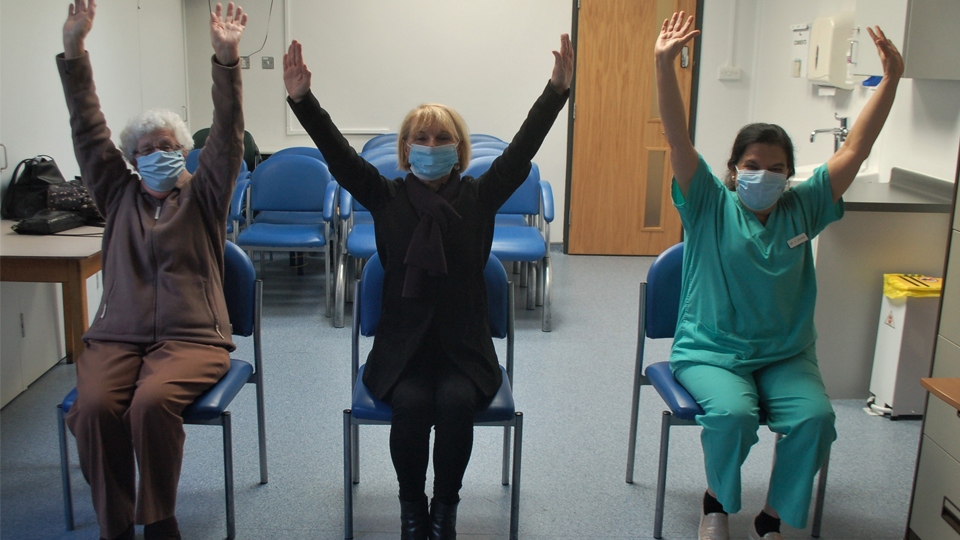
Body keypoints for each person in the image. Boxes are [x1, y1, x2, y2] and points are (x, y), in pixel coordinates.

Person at [283, 34, 573, 539]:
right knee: (413, 406)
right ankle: (412, 508)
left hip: (464, 346)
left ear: (459, 149)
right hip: (403, 347)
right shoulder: (385, 195)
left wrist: (556, 92)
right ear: (405, 148)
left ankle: (445, 508)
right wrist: (302, 101)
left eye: (442, 139)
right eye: (422, 138)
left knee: (456, 404)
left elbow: (524, 146)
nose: (431, 147)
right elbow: (338, 155)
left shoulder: (481, 196)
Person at [655, 11, 903, 540]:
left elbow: (855, 149)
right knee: (733, 417)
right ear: (732, 169)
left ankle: (772, 516)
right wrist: (664, 64)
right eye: (751, 165)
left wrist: (890, 82)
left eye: (774, 167)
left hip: (786, 352)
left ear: (790, 174)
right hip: (711, 350)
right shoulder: (708, 204)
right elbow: (677, 140)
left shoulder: (803, 207)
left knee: (816, 421)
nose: (762, 175)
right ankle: (717, 500)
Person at [59, 1, 248, 539]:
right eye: (146, 150)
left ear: (185, 152)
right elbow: (87, 131)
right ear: (131, 159)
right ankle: (115, 524)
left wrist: (226, 60)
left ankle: (158, 519)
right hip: (116, 338)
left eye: (167, 147)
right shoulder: (117, 196)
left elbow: (230, 135)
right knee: (94, 408)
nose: (158, 155)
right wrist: (75, 51)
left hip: (192, 339)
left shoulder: (205, 195)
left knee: (150, 403)